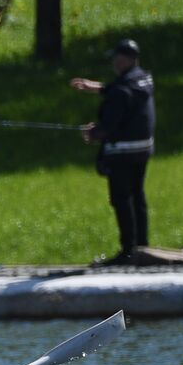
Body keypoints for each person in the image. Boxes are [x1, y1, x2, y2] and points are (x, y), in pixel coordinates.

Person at [70, 39, 156, 266]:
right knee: (138, 196)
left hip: (123, 151)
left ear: (125, 59)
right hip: (144, 148)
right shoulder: (144, 79)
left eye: (116, 58)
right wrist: (98, 87)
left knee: (121, 198)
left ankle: (128, 251)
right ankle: (142, 247)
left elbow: (109, 124)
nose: (114, 63)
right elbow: (125, 89)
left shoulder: (120, 92)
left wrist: (93, 133)